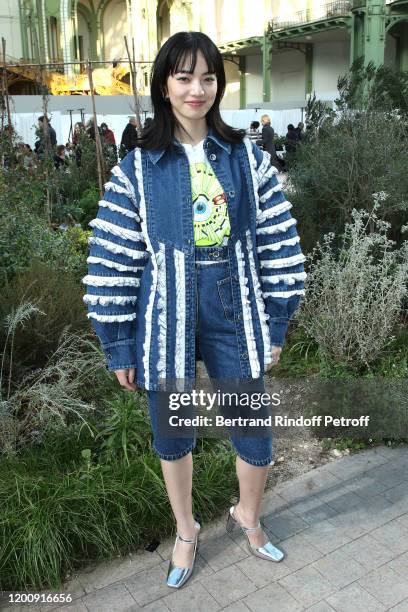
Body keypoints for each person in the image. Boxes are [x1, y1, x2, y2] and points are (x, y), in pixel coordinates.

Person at [82, 31, 306, 590]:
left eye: (207, 77)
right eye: (184, 77)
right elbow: (114, 258)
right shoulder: (137, 168)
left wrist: (275, 318)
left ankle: (247, 515)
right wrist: (119, 341)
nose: (196, 89)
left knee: (253, 426)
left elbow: (279, 239)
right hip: (167, 312)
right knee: (173, 433)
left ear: (218, 85)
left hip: (234, 304)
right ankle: (186, 530)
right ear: (164, 85)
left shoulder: (247, 159)